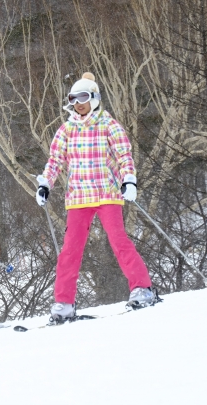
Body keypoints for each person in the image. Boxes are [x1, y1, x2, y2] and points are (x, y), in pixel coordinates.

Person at [36, 72, 156, 323]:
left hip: (107, 192)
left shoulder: (108, 124)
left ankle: (142, 288)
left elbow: (124, 154)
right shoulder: (66, 129)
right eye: (73, 99)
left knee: (118, 239)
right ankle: (64, 303)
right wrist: (46, 184)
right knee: (70, 249)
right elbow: (55, 160)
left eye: (83, 98)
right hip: (79, 196)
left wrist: (129, 179)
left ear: (94, 98)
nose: (78, 104)